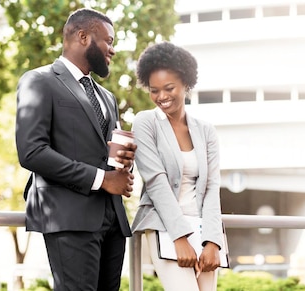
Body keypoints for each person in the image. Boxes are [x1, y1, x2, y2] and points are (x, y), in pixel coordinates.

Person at [15, 8, 136, 290]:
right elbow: (31, 151)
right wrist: (102, 179)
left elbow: (98, 150)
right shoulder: (39, 81)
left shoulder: (106, 96)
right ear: (83, 36)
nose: (113, 50)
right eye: (109, 40)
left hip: (113, 220)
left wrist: (122, 162)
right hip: (68, 217)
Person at [131, 42, 224, 290]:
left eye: (169, 88)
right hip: (165, 226)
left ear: (186, 83)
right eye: (154, 90)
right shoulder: (145, 122)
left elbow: (213, 187)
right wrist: (180, 237)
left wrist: (213, 242)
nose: (161, 96)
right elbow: (156, 182)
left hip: (203, 230)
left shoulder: (206, 131)